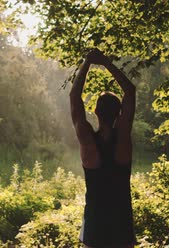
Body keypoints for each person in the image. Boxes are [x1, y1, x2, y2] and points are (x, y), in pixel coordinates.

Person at [70, 49, 136, 248]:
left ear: (96, 110)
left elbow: (74, 95)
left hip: (95, 224)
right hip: (121, 224)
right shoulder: (122, 140)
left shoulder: (88, 142)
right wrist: (107, 63)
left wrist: (88, 63)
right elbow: (130, 91)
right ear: (119, 114)